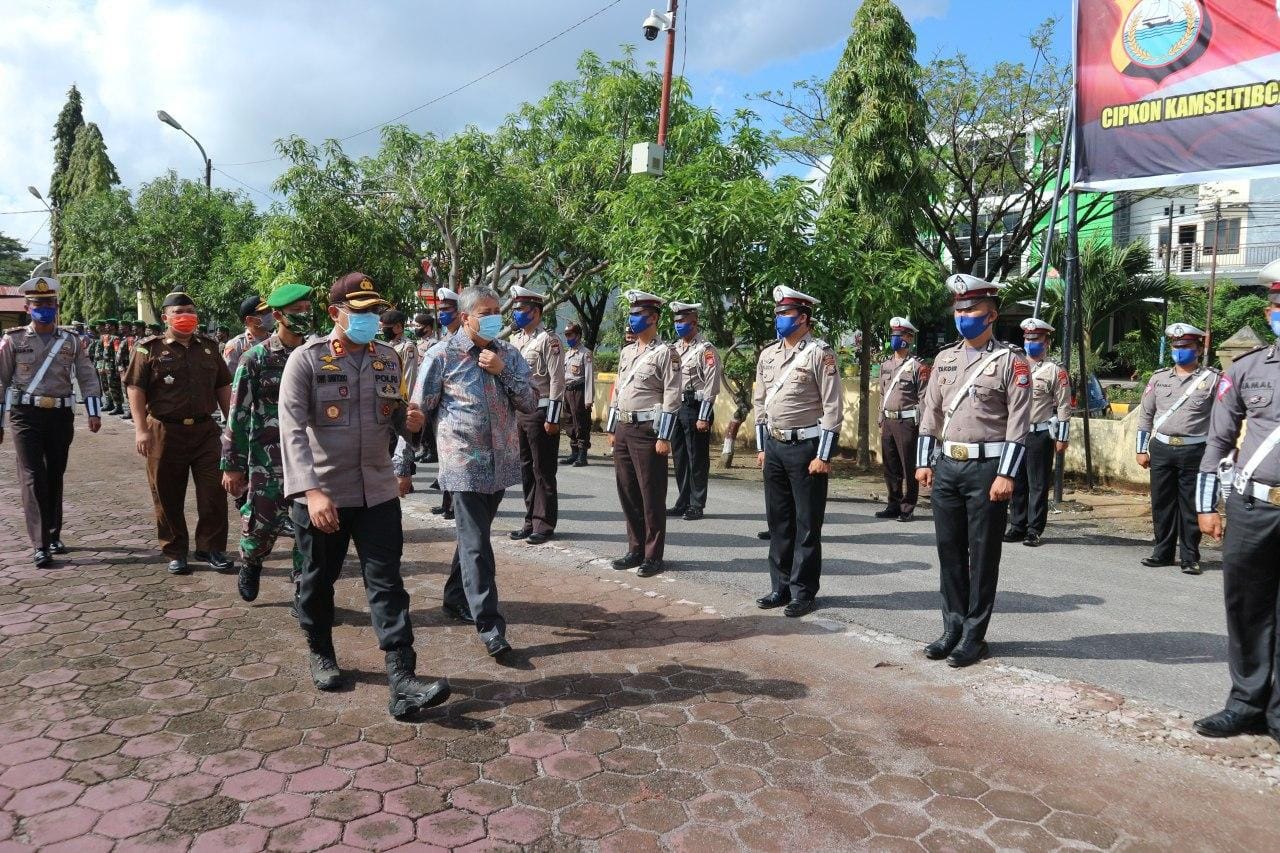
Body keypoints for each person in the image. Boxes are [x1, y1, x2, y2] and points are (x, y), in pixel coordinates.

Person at [278, 272, 450, 717]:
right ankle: (320, 650)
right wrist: (311, 492)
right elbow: (292, 431)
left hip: (377, 490)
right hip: (324, 494)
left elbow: (394, 419)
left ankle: (403, 679)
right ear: (336, 314)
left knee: (387, 583)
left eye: (375, 312)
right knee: (317, 582)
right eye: (361, 313)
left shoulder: (388, 359)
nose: (371, 319)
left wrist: (409, 424)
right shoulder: (307, 360)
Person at [395, 285, 537, 658]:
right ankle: (489, 625)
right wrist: (403, 466)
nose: (494, 317)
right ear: (465, 317)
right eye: (485, 311)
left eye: (496, 310)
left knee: (474, 537)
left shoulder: (507, 353)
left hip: (501, 463)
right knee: (477, 543)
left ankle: (454, 596)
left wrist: (503, 372)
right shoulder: (442, 356)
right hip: (463, 462)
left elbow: (530, 401)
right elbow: (415, 414)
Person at [915, 274, 1031, 667]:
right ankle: (951, 626)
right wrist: (922, 462)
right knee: (949, 550)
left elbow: (1019, 423)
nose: (963, 316)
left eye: (972, 310)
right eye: (959, 310)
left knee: (982, 554)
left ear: (991, 315)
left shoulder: (1011, 362)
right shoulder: (945, 359)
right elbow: (929, 413)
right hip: (947, 465)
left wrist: (1007, 474)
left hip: (987, 469)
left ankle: (974, 635)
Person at [1193, 262, 1280, 744]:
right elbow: (1217, 442)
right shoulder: (1246, 370)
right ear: (1269, 311)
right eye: (1278, 305)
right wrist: (1208, 506)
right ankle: (1245, 703)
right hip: (1253, 506)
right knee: (1246, 605)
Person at [125, 292, 234, 575]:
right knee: (167, 494)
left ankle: (210, 547)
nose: (187, 316)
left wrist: (232, 425)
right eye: (179, 311)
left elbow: (223, 386)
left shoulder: (210, 348)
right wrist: (141, 430)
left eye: (191, 311)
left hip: (204, 431)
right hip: (164, 430)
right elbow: (136, 388)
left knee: (214, 492)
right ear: (166, 318)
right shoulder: (147, 349)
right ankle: (175, 550)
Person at [753, 286, 843, 617]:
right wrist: (762, 447)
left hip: (807, 448)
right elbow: (760, 403)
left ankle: (803, 592)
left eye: (785, 314)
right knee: (778, 521)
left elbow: (833, 408)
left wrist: (825, 455)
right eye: (777, 314)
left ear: (803, 318)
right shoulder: (768, 354)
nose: (779, 319)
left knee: (806, 524)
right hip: (775, 446)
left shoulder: (821, 354)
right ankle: (780, 587)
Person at [0, 277, 103, 567]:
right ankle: (40, 543)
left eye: (48, 303)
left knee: (55, 474)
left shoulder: (71, 340)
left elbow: (87, 375)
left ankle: (54, 533)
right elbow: (1, 380)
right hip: (25, 415)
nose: (43, 308)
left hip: (60, 415)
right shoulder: (13, 339)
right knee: (33, 476)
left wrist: (94, 412)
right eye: (37, 304)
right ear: (27, 307)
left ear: (56, 305)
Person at [220, 283, 313, 602]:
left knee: (309, 525)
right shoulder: (255, 358)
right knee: (262, 522)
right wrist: (232, 464)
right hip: (266, 457)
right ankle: (252, 563)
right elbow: (238, 413)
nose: (304, 315)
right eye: (297, 311)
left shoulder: (316, 354)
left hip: (308, 457)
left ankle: (304, 587)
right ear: (277, 316)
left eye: (307, 309)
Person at [607, 291, 683, 577]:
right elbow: (618, 391)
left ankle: (653, 555)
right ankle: (635, 547)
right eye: (632, 314)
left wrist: (664, 437)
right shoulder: (627, 351)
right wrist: (612, 427)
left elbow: (672, 397)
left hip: (648, 430)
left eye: (639, 314)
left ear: (653, 318)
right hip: (625, 428)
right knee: (627, 490)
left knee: (651, 493)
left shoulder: (666, 353)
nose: (633, 319)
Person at [1136, 323, 1219, 575]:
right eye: (1176, 346)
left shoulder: (1212, 379)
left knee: (1190, 505)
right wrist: (1141, 449)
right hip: (1161, 448)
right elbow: (1145, 414)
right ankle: (1162, 552)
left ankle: (1190, 557)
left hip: (1195, 450)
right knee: (1161, 503)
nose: (1179, 350)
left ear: (1197, 348)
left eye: (1185, 346)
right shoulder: (1158, 378)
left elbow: (1221, 420)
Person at [1003, 318, 1071, 546]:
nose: (1031, 342)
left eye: (1036, 339)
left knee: (1038, 484)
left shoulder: (1055, 371)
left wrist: (1062, 436)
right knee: (1016, 481)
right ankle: (1017, 525)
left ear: (1046, 342)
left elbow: (1063, 405)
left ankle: (1034, 529)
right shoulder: (1015, 365)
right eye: (1028, 338)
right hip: (1015, 433)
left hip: (1039, 434)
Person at [508, 285, 564, 545]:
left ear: (536, 312)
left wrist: (553, 417)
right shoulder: (515, 340)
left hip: (541, 411)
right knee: (525, 469)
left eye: (521, 309)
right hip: (520, 411)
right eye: (515, 309)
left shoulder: (548, 341)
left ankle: (544, 523)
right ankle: (529, 520)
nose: (516, 314)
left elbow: (557, 381)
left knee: (543, 469)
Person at [667, 302, 722, 521]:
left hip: (696, 407)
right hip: (677, 407)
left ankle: (697, 504)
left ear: (694, 322)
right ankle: (683, 500)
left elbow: (712, 384)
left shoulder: (705, 350)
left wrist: (703, 415)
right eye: (676, 321)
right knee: (679, 456)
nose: (678, 325)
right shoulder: (674, 349)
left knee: (696, 457)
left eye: (682, 321)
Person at [876, 316, 927, 522]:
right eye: (893, 335)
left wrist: (923, 426)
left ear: (909, 338)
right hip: (888, 421)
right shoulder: (885, 365)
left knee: (908, 465)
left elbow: (924, 398)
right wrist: (880, 419)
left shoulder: (918, 366)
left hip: (907, 423)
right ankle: (893, 503)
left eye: (899, 335)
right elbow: (881, 393)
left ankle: (907, 507)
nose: (895, 339)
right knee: (891, 466)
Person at [423, 288, 463, 515]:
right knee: (446, 457)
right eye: (441, 310)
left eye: (447, 310)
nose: (443, 314)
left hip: (457, 406)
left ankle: (456, 504)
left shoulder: (465, 338)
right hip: (441, 407)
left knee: (458, 458)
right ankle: (447, 502)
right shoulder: (446, 337)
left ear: (459, 312)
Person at [560, 322, 594, 467]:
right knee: (569, 422)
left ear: (578, 335)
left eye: (570, 335)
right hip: (567, 391)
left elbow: (589, 377)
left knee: (581, 423)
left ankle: (582, 455)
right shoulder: (567, 354)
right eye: (566, 335)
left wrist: (589, 398)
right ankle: (574, 452)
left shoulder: (585, 353)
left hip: (579, 391)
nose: (568, 338)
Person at [223, 295, 274, 376]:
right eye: (264, 312)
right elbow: (230, 379)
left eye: (270, 310)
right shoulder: (236, 346)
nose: (271, 314)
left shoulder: (276, 339)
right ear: (249, 319)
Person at [114, 319, 136, 421]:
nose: (120, 328)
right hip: (132, 369)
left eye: (122, 327)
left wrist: (119, 370)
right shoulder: (134, 339)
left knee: (127, 392)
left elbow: (118, 358)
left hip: (127, 369)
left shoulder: (126, 340)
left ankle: (129, 412)